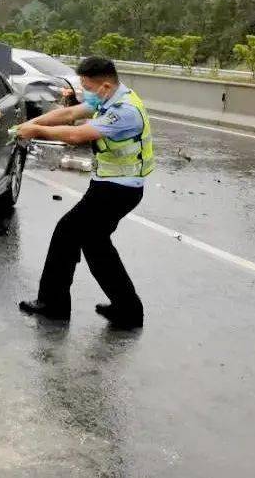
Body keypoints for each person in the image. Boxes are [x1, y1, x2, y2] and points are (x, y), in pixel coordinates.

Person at [15, 56, 154, 329]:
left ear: (104, 84)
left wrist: (35, 131)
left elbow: (76, 135)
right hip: (111, 185)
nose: (84, 90)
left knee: (66, 232)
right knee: (95, 244)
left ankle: (53, 305)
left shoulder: (124, 111)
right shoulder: (108, 98)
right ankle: (127, 309)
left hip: (117, 190)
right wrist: (31, 123)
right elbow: (67, 114)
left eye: (87, 85)